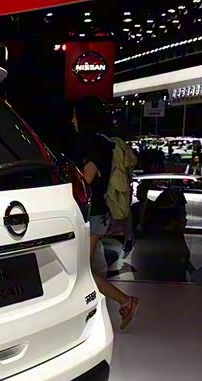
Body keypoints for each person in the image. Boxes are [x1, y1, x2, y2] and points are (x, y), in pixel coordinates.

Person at [72, 96, 139, 330]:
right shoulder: (104, 142)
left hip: (93, 215)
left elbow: (86, 179)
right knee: (84, 269)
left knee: (82, 271)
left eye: (75, 115)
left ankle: (125, 301)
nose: (72, 120)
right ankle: (119, 303)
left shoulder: (93, 143)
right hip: (99, 215)